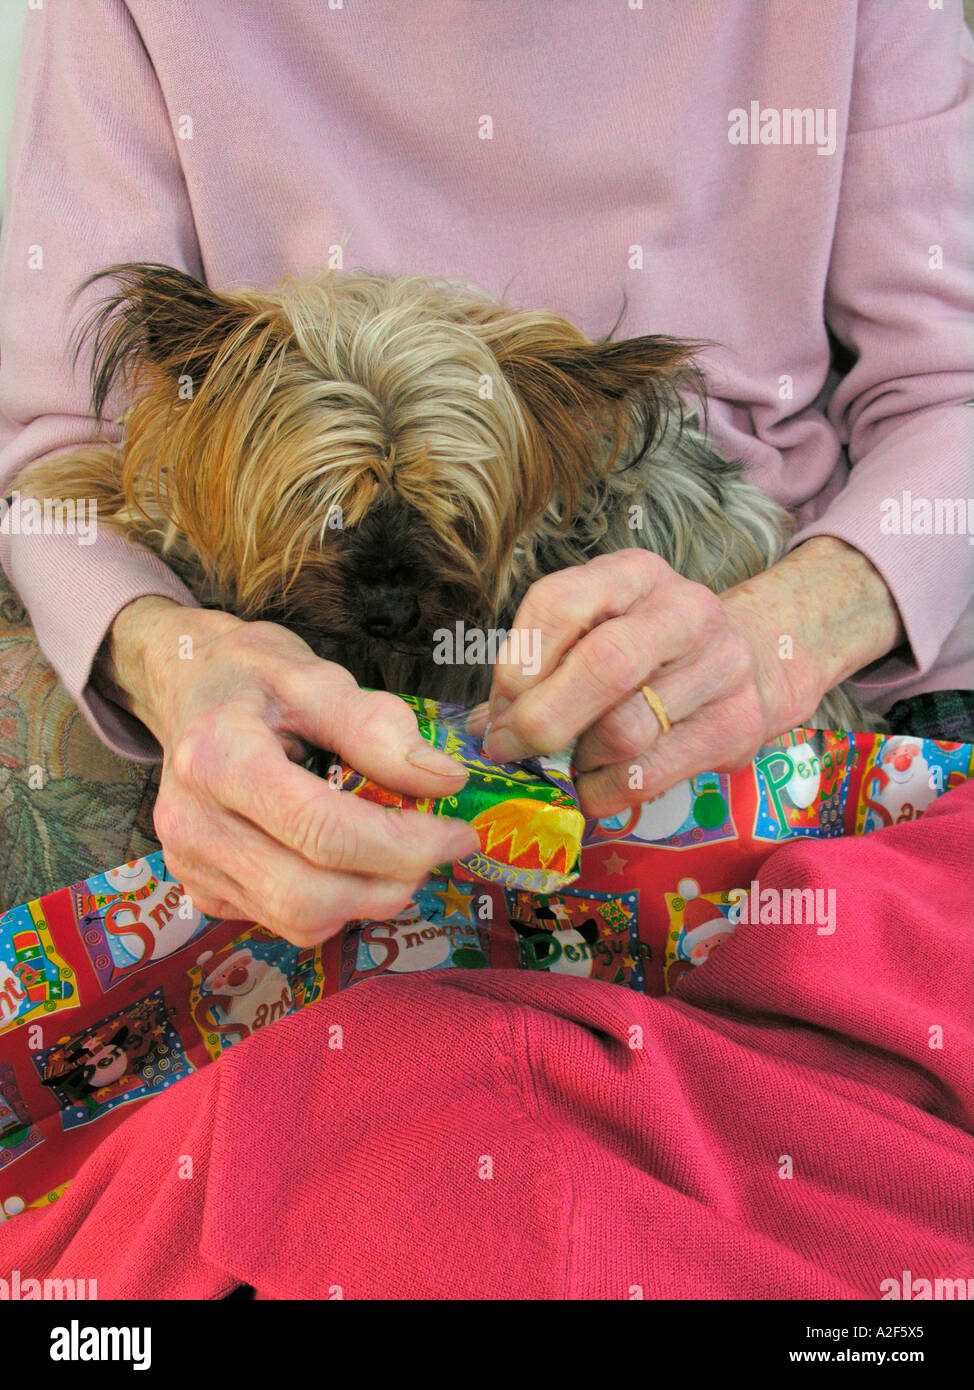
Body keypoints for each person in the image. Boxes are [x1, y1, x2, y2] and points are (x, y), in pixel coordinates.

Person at [1, 1, 971, 945]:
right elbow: (51, 454)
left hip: (772, 609)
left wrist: (778, 641)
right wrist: (174, 661)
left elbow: (951, 387)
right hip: (271, 626)